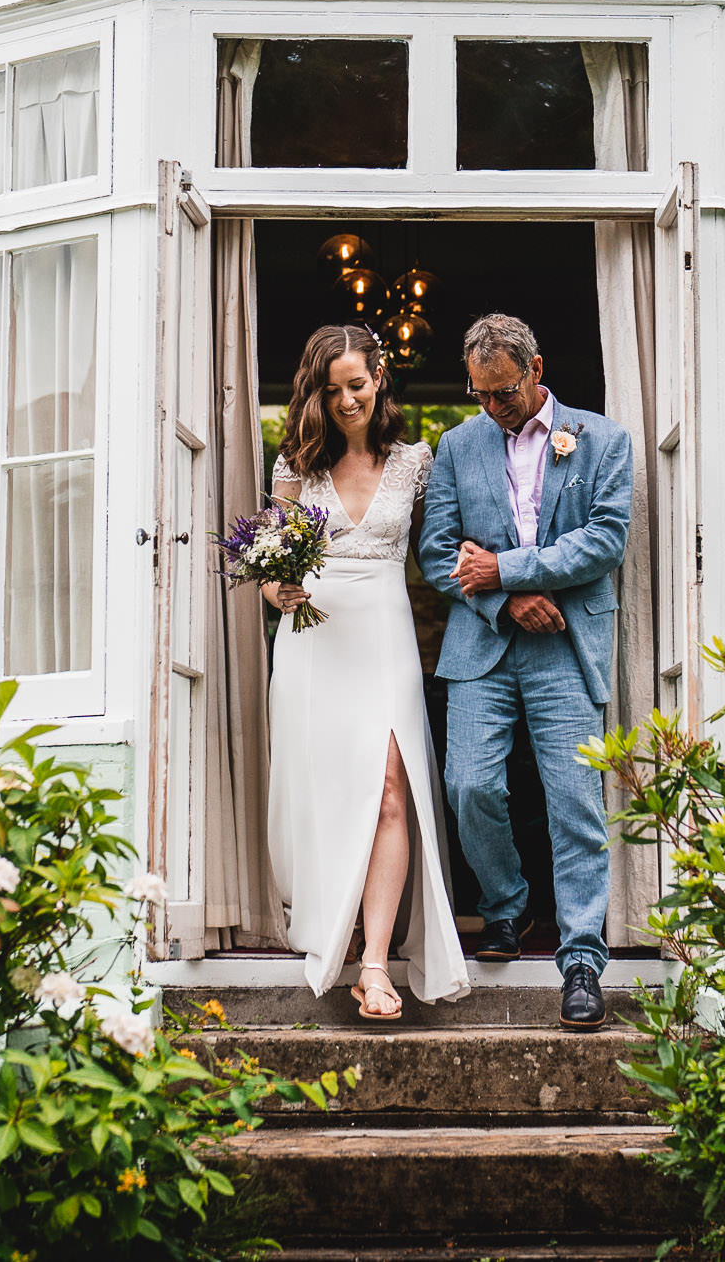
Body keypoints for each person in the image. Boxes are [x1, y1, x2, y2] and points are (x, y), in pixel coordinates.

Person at [419, 313, 632, 1031]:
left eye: (503, 393)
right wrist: (508, 600)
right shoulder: (455, 446)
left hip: (566, 645)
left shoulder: (602, 439)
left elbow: (605, 538)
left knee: (574, 798)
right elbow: (437, 554)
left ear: (535, 371)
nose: (491, 408)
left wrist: (509, 567)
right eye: (479, 394)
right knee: (469, 783)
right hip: (485, 642)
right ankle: (507, 904)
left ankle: (580, 958)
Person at [264, 325, 470, 1019]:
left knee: (391, 786)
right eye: (333, 389)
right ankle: (330, 928)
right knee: (326, 791)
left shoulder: (417, 461)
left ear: (379, 377)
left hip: (383, 636)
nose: (347, 399)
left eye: (357, 384)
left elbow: (440, 549)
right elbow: (269, 568)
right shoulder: (296, 465)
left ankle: (376, 965)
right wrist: (278, 590)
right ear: (316, 393)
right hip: (312, 641)